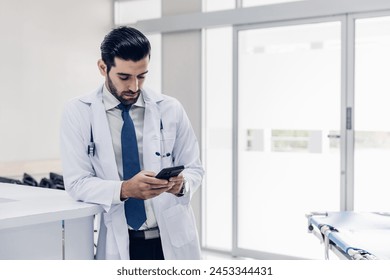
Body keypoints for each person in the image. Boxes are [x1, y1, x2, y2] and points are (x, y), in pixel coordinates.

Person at [60, 26, 204, 260]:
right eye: (124, 77)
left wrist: (181, 185)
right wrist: (125, 189)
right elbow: (77, 183)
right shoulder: (78, 112)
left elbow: (195, 168)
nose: (134, 87)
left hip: (172, 240)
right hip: (121, 241)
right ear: (103, 68)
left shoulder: (170, 108)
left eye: (142, 76)